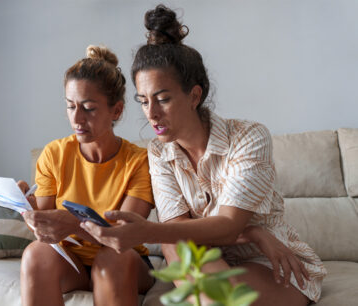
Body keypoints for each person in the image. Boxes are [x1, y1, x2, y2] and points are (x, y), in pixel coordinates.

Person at [80, 5, 327, 306]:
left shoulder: (249, 137)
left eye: (163, 99)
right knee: (192, 267)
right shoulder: (158, 152)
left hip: (267, 260)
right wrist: (253, 232)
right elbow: (175, 236)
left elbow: (226, 224)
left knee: (215, 294)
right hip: (200, 256)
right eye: (143, 101)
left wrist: (148, 230)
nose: (151, 114)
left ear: (194, 95)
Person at [18, 45, 156, 306]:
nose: (77, 118)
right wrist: (27, 209)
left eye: (89, 108)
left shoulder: (139, 161)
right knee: (36, 254)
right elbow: (46, 228)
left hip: (125, 259)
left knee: (111, 259)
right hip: (74, 261)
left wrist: (72, 224)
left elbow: (123, 236)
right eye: (71, 106)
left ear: (116, 111)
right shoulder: (54, 154)